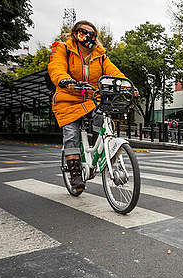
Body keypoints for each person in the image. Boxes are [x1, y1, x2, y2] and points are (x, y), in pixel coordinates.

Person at [48, 20, 134, 191]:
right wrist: (64, 80)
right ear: (74, 33)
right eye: (83, 31)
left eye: (91, 33)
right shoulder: (64, 49)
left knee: (103, 120)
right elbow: (56, 67)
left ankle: (96, 151)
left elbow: (114, 73)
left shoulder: (101, 56)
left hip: (92, 98)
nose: (87, 36)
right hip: (68, 98)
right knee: (71, 133)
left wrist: (128, 86)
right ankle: (75, 174)